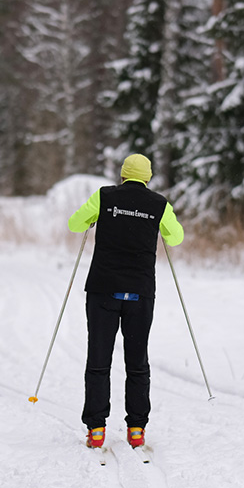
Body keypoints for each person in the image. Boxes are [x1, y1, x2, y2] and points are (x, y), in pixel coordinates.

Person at [67, 153, 184, 450]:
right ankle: (136, 430)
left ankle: (96, 430)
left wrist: (96, 219)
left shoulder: (104, 197)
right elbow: (176, 237)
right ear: (148, 177)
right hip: (140, 294)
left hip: (103, 291)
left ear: (122, 175)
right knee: (137, 362)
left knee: (98, 360)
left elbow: (75, 224)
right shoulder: (159, 204)